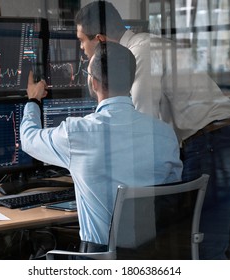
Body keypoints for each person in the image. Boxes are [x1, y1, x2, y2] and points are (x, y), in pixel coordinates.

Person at [75, 1, 230, 259]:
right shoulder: (153, 43)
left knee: (202, 245)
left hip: (212, 143)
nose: (82, 50)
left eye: (82, 42)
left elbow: (140, 124)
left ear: (99, 40)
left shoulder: (139, 53)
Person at [20, 41, 182, 252]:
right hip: (153, 256)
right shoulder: (164, 134)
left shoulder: (76, 133)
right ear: (131, 81)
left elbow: (29, 139)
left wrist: (33, 100)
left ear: (94, 83)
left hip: (100, 259)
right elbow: (172, 193)